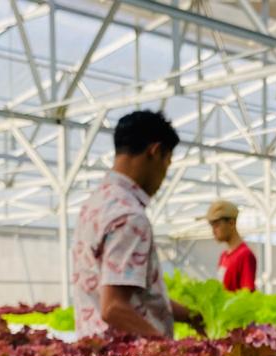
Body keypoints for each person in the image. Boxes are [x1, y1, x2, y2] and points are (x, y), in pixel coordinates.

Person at [70, 109, 203, 339]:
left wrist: (191, 315)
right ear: (156, 151)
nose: (163, 176)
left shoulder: (95, 205)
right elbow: (113, 307)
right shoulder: (129, 216)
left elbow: (128, 292)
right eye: (167, 163)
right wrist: (166, 347)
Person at [207, 199, 257, 292]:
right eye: (212, 226)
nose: (213, 231)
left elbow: (247, 296)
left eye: (217, 225)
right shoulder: (224, 256)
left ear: (231, 223)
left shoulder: (245, 255)